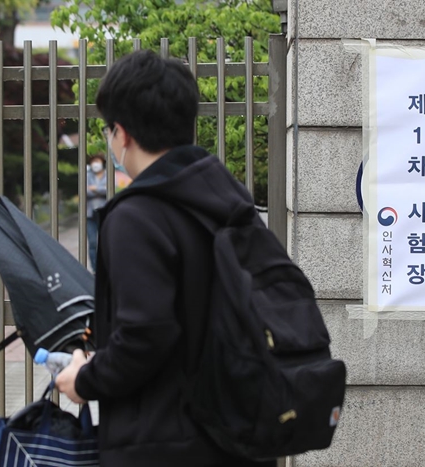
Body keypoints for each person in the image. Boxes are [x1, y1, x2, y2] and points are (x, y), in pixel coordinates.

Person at [56, 50, 271, 467]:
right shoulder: (229, 199)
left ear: (123, 133)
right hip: (234, 433)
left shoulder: (137, 216)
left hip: (163, 441)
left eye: (109, 129)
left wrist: (84, 379)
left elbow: (145, 336)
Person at [86, 153, 107, 272]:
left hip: (104, 211)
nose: (95, 164)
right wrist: (101, 190)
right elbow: (85, 191)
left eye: (97, 161)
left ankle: (107, 266)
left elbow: (110, 189)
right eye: (93, 161)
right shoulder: (87, 175)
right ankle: (95, 269)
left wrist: (95, 189)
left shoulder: (108, 174)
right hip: (89, 213)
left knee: (105, 240)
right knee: (93, 242)